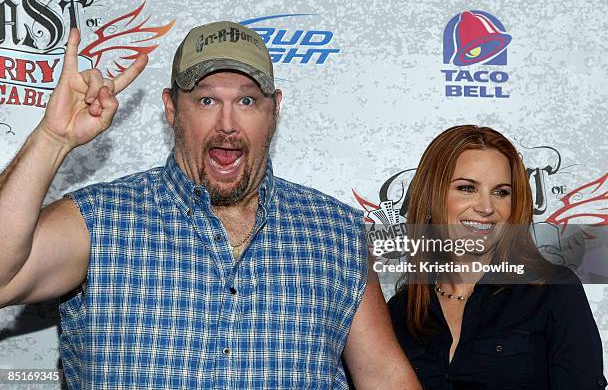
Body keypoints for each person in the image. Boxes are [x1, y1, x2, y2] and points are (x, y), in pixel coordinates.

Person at [0, 21, 421, 389]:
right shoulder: (100, 220)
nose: (226, 124)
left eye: (246, 101)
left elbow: (384, 376)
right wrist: (53, 139)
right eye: (205, 101)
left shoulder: (336, 233)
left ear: (274, 110)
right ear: (170, 108)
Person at [387, 125, 606, 389]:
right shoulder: (402, 310)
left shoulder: (553, 290)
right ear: (433, 195)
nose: (486, 207)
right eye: (467, 188)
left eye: (501, 192)